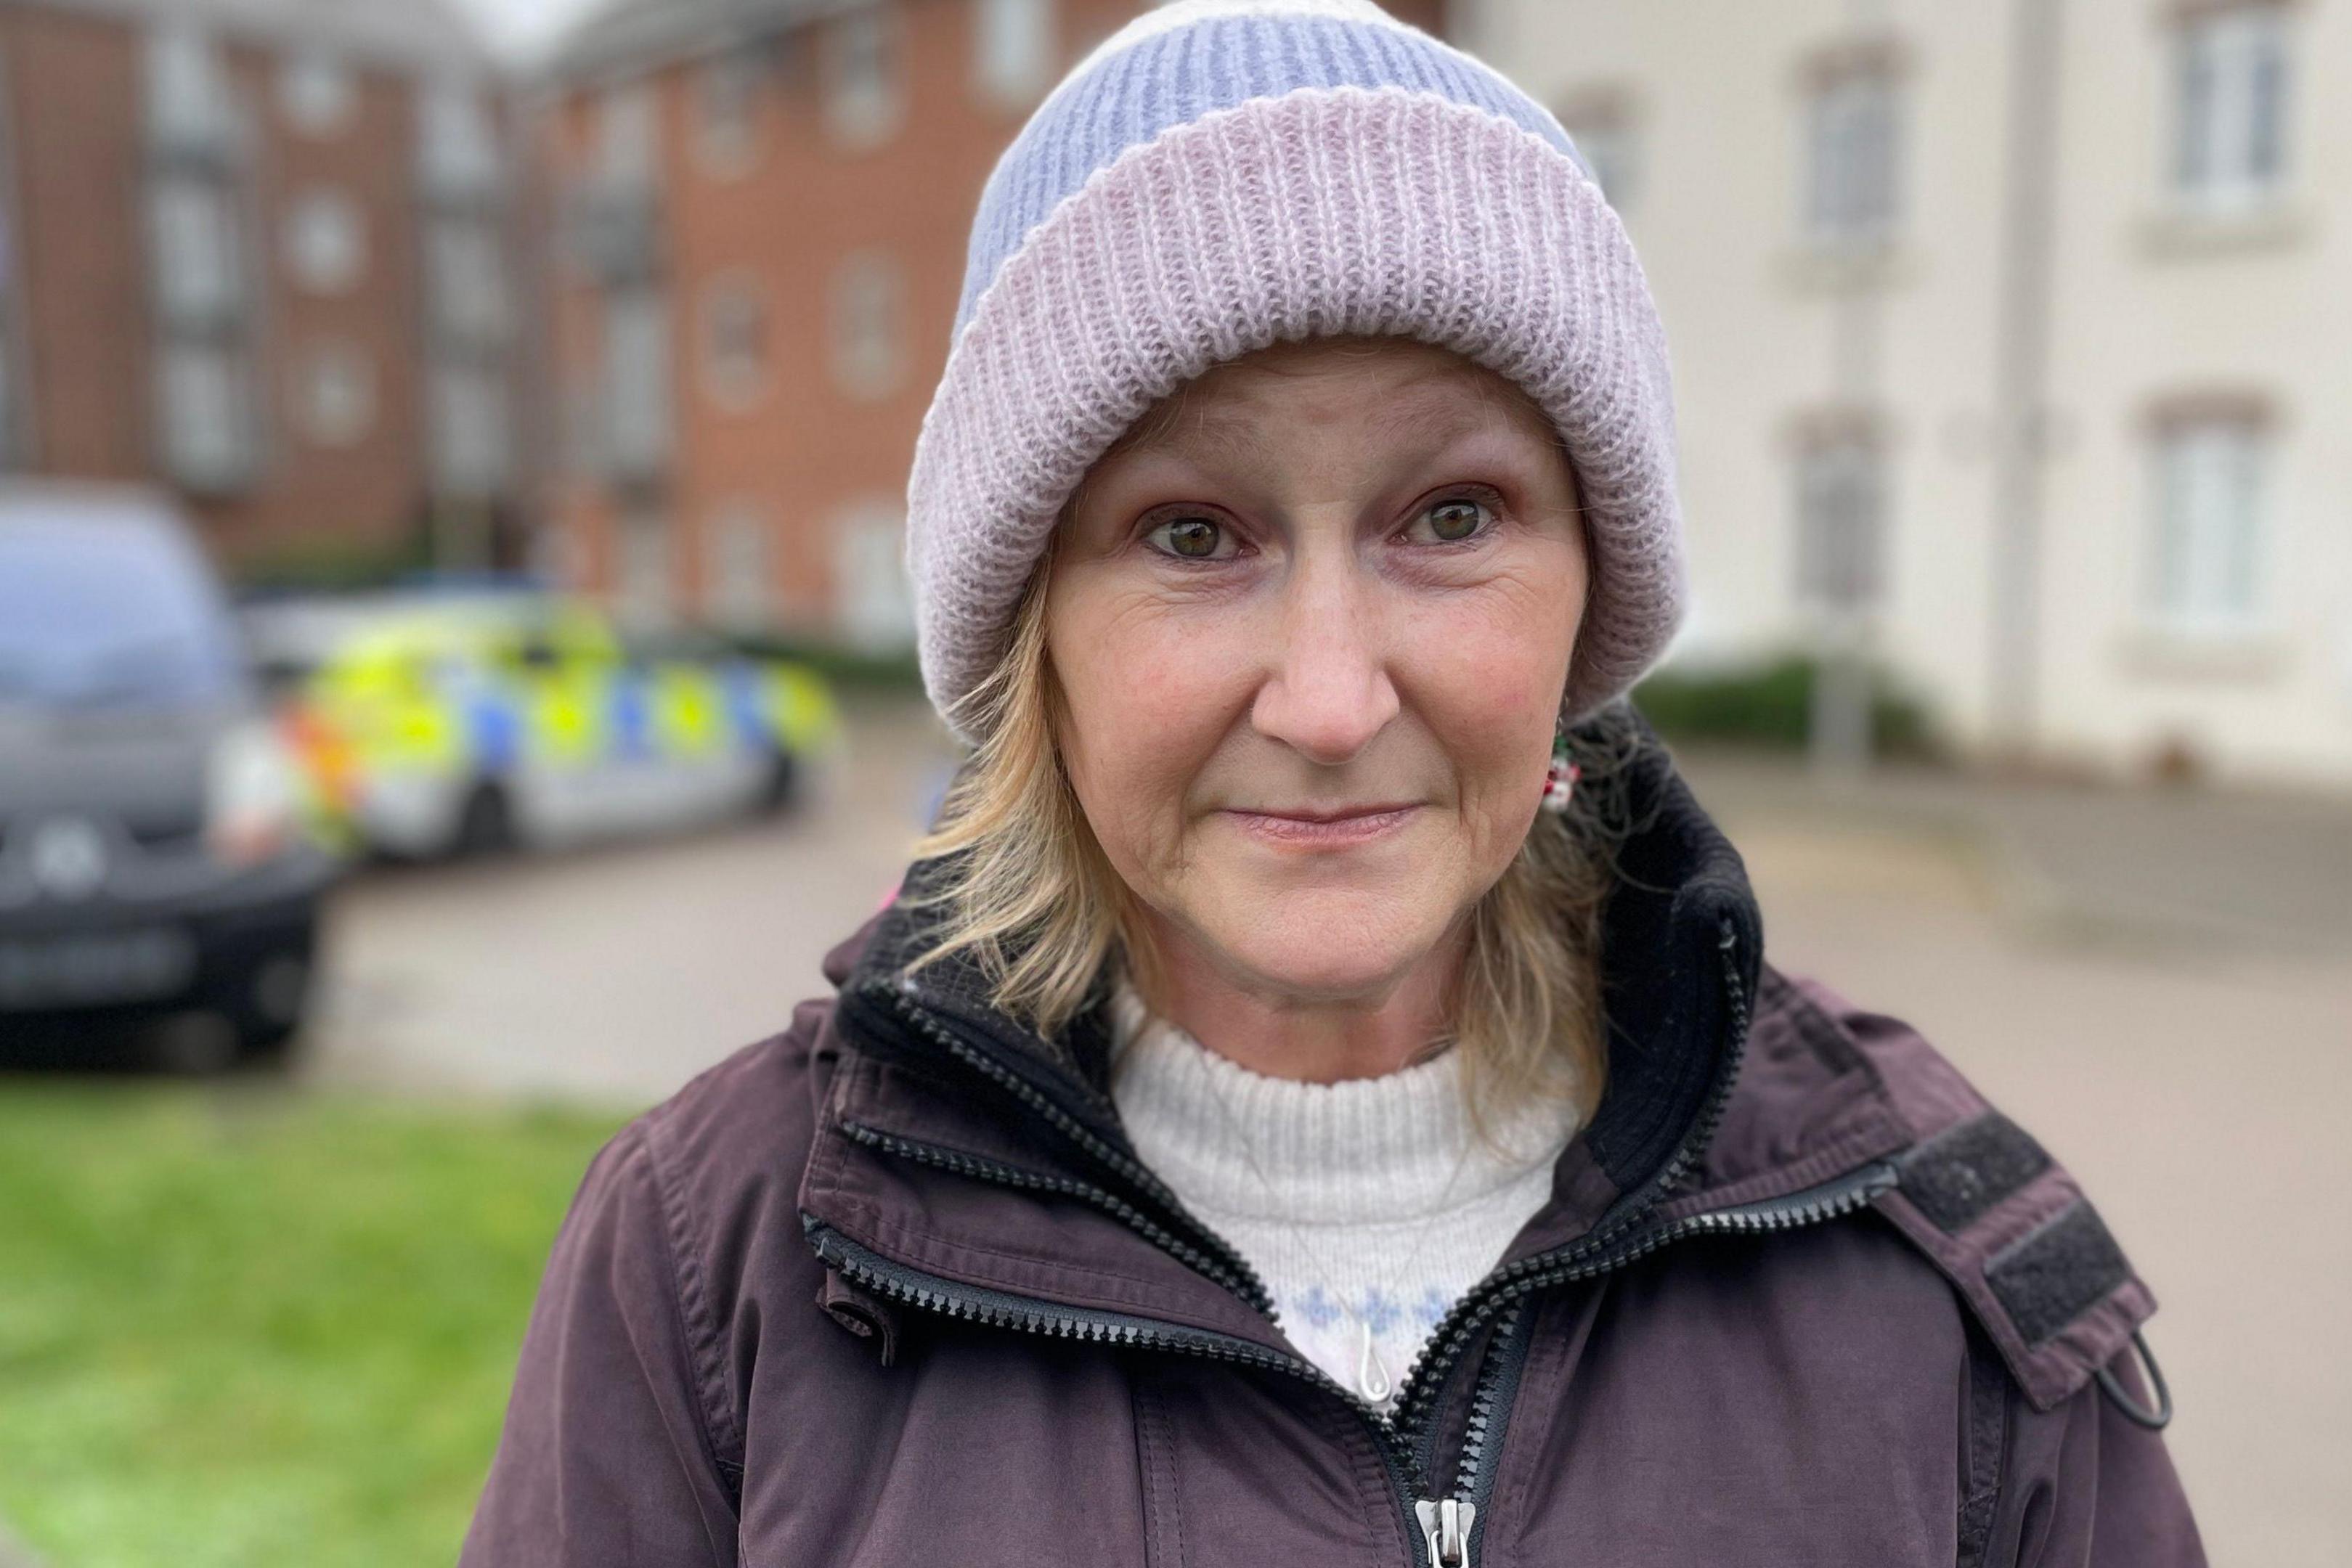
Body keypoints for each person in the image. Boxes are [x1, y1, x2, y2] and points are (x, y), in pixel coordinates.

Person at [463, 4, 2205, 1564]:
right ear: (1030, 637)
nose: (1326, 694)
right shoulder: (720, 1266)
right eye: (1190, 534)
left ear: (1591, 594)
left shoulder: (1931, 1252)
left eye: (1451, 519)